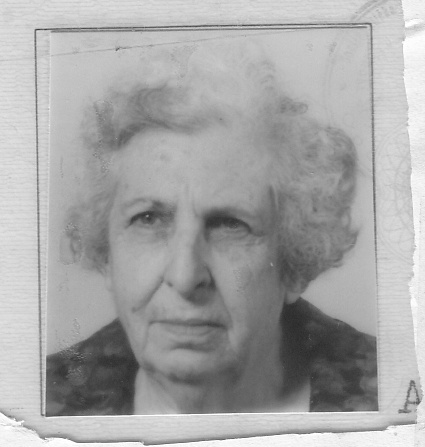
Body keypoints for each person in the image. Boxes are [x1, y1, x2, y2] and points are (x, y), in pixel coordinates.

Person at [46, 40, 377, 416]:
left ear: (294, 265)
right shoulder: (42, 404)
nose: (185, 276)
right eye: (148, 219)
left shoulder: (389, 394)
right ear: (106, 257)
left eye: (230, 225)